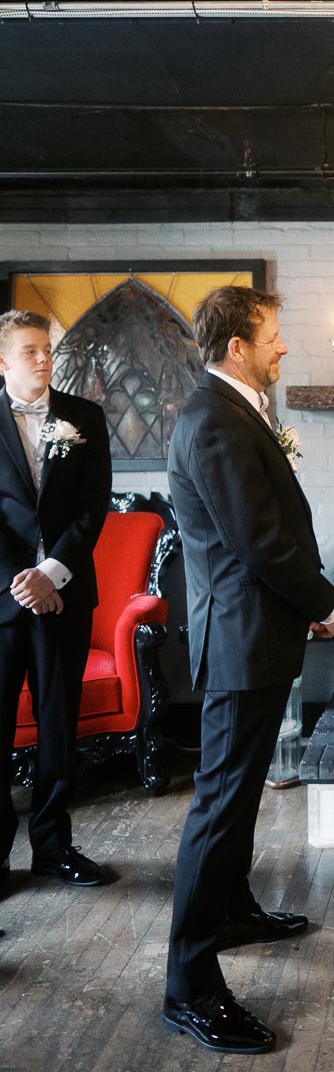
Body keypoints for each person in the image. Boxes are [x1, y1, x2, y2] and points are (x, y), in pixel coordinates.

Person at [163, 286, 334, 1055]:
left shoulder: (234, 409)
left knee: (235, 803)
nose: (284, 346)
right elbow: (260, 541)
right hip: (241, 640)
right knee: (220, 808)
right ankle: (190, 988)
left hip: (257, 634)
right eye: (274, 335)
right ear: (238, 346)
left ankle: (232, 908)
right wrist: (326, 600)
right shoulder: (212, 420)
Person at [0, 309, 112, 889]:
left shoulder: (83, 417)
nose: (44, 360)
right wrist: (22, 581)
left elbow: (95, 508)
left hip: (65, 596)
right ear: (2, 360)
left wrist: (51, 573)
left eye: (47, 350)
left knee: (57, 724)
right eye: (29, 351)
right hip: (1, 601)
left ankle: (53, 847)